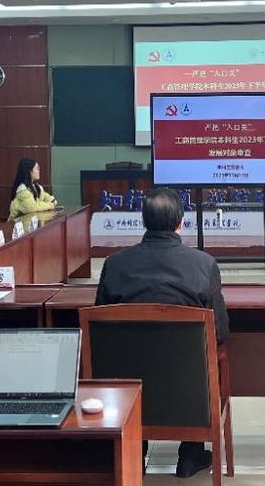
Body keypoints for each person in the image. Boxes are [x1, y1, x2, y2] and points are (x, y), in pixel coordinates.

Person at [96, 187, 229, 478]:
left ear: (143, 221)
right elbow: (219, 331)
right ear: (181, 222)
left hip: (128, 389)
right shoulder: (203, 265)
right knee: (196, 359)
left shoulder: (115, 264)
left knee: (127, 357)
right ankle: (190, 455)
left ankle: (134, 450)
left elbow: (99, 333)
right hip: (186, 389)